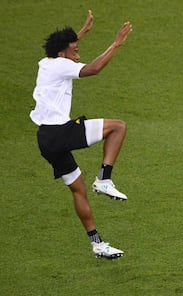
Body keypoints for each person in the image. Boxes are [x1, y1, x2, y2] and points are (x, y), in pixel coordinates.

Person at [30, 10, 133, 259]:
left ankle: (97, 243)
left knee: (78, 190)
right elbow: (94, 69)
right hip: (60, 132)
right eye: (74, 49)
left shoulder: (47, 62)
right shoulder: (63, 65)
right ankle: (105, 178)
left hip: (45, 139)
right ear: (63, 53)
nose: (78, 52)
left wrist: (83, 32)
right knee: (118, 127)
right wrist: (116, 43)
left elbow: (64, 48)